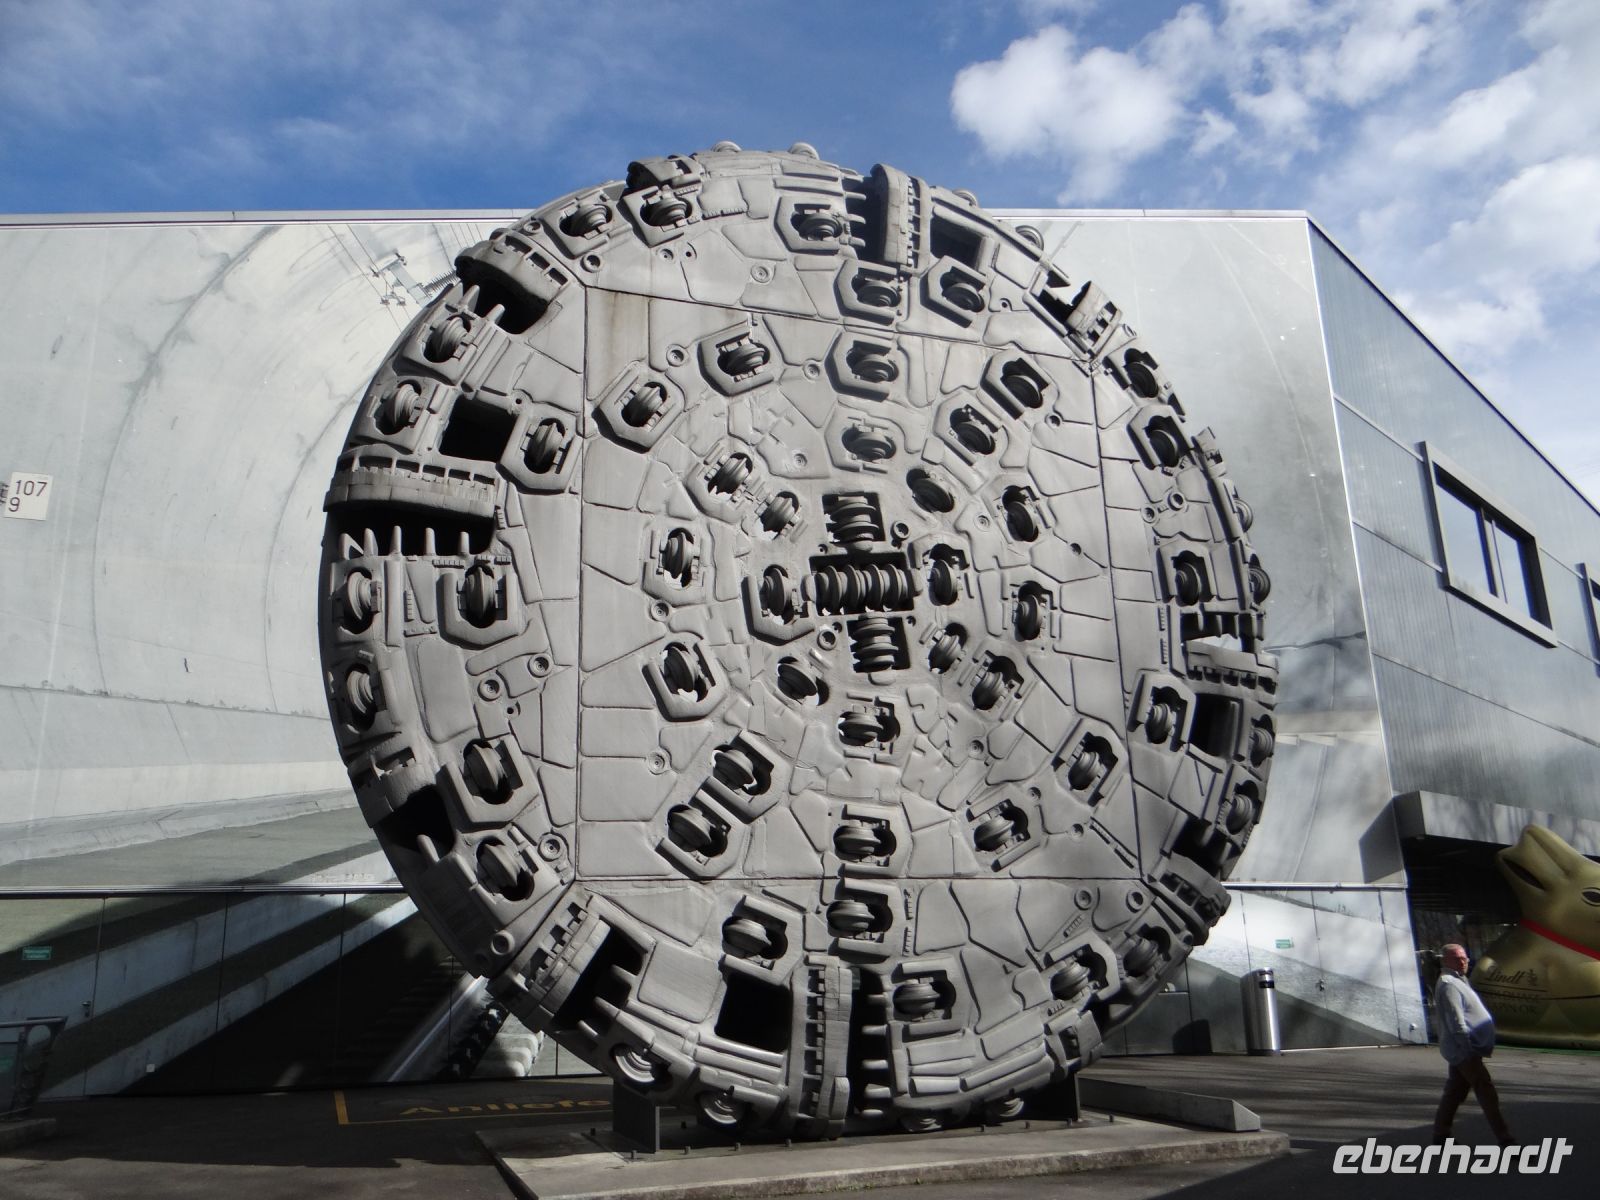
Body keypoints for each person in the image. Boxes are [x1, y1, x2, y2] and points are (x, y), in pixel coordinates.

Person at [1432, 942, 1514, 1146]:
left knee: (1455, 1091)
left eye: (1464, 958)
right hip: (1465, 1050)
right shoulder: (1449, 984)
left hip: (1463, 1049)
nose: (1463, 962)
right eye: (1457, 958)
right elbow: (1456, 1021)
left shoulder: (1458, 981)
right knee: (1486, 1092)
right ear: (1446, 961)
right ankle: (1505, 1139)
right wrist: (1468, 1049)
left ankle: (1441, 1135)